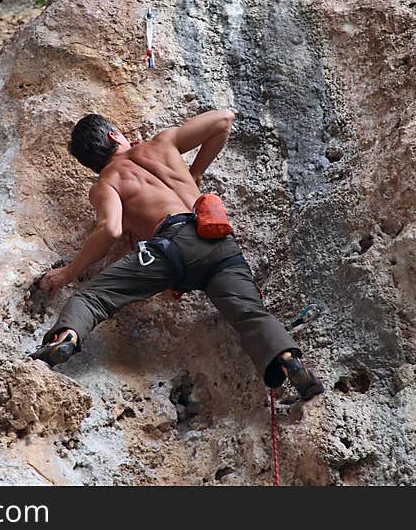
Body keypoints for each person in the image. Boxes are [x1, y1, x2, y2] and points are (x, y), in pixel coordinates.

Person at [30, 110, 323, 401]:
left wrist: (68, 272)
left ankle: (66, 338)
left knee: (91, 298)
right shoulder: (162, 143)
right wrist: (195, 171)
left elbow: (110, 230)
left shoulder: (106, 184)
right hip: (218, 240)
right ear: (113, 135)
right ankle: (287, 358)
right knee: (250, 312)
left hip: (170, 248)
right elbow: (223, 120)